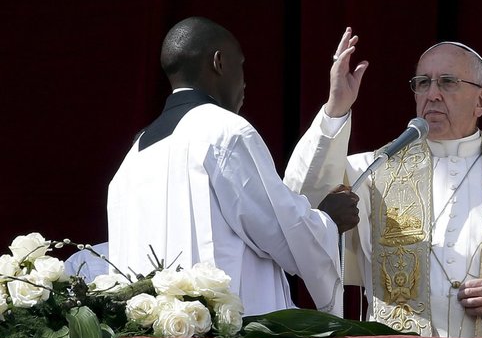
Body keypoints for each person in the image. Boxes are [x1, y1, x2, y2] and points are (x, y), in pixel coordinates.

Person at [284, 31, 482, 337]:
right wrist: (336, 109)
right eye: (422, 83)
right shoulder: (373, 170)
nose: (432, 93)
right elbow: (301, 205)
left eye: (447, 82)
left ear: (481, 100)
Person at [107, 17, 359, 316]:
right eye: (241, 67)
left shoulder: (131, 159)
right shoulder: (225, 133)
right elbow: (280, 229)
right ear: (219, 62)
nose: (244, 83)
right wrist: (329, 220)